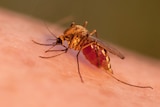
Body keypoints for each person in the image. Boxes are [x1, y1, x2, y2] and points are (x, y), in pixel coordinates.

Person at [0, 8, 159, 107]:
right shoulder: (69, 35)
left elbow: (75, 45)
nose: (62, 42)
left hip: (93, 49)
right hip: (87, 42)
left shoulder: (76, 37)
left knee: (80, 50)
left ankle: (114, 77)